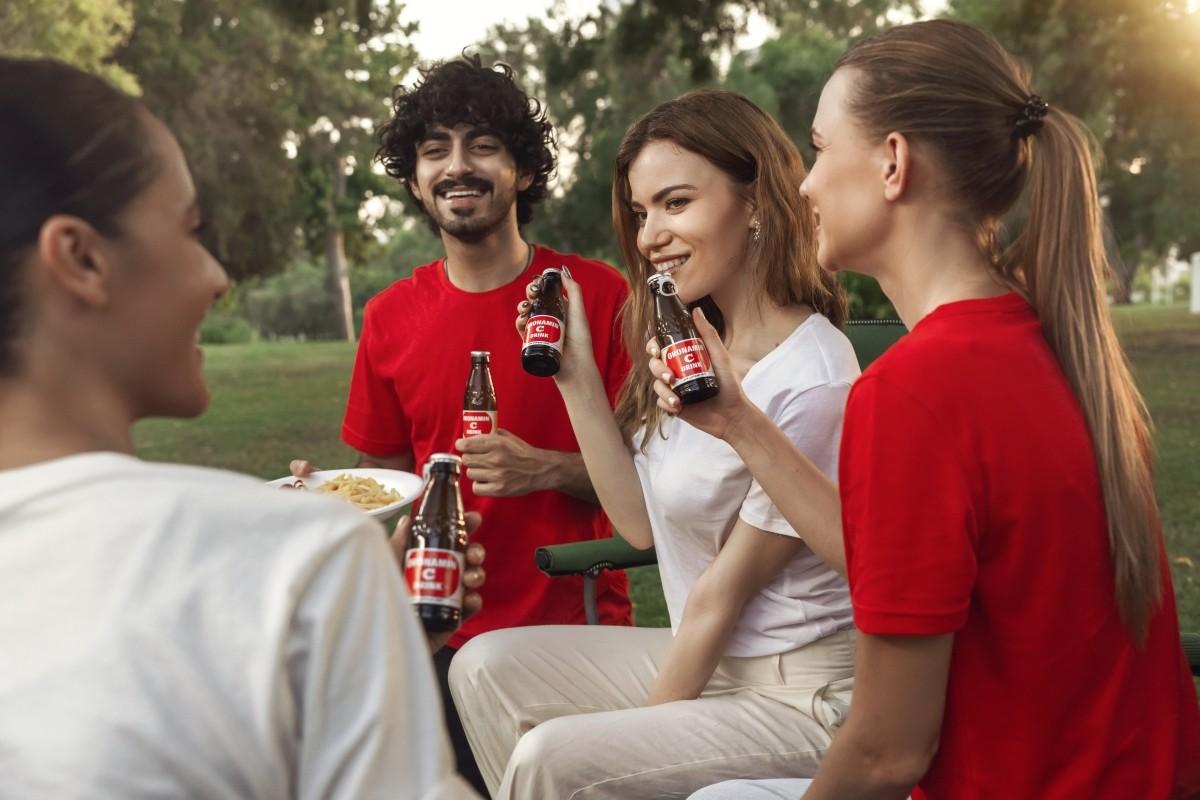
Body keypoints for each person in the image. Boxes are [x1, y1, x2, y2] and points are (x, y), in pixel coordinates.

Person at [665, 20, 1200, 800]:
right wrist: (741, 421)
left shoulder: (916, 390)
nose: (806, 184)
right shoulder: (1046, 339)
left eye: (819, 148)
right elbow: (898, 556)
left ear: (892, 164)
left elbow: (887, 753)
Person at [0, 57, 486, 799]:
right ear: (81, 258)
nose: (215, 276)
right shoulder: (303, 563)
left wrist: (363, 643)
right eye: (190, 230)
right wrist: (345, 620)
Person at [449, 89, 859, 799]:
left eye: (675, 204)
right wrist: (576, 372)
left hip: (803, 697)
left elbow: (717, 602)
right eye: (642, 213)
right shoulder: (698, 349)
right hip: (716, 659)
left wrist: (629, 741)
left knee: (556, 760)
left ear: (756, 202)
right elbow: (638, 523)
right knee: (480, 667)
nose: (648, 237)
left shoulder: (811, 378)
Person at [290, 53, 633, 795]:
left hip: (574, 636)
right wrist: (316, 501)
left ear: (525, 172)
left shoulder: (594, 296)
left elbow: (669, 485)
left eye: (483, 144)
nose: (458, 166)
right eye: (435, 149)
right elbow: (377, 492)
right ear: (414, 180)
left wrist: (550, 467)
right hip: (439, 633)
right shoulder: (389, 317)